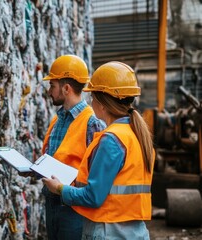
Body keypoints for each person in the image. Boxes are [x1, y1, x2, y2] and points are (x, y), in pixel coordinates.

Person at [42, 61, 155, 239]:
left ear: (102, 104)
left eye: (93, 98)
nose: (91, 103)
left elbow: (93, 197)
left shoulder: (112, 140)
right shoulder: (136, 135)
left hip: (108, 231)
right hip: (133, 231)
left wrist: (60, 189)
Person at [39, 55, 106, 240]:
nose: (49, 91)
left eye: (52, 85)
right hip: (52, 203)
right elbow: (53, 157)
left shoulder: (92, 122)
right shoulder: (57, 120)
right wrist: (34, 170)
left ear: (66, 88)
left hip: (73, 208)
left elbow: (97, 173)